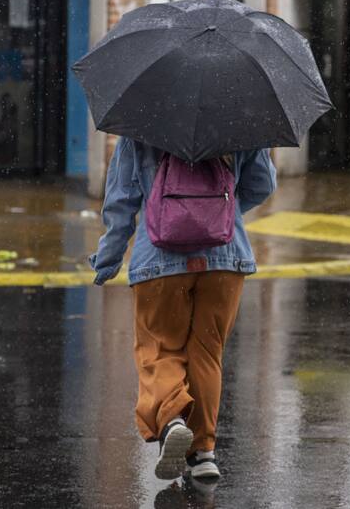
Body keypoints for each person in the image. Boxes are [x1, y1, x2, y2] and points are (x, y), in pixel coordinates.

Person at [90, 137, 277, 480]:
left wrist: (109, 257)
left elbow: (121, 200)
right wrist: (220, 214)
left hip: (160, 260)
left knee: (159, 347)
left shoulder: (142, 126)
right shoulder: (239, 123)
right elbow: (263, 184)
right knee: (207, 353)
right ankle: (204, 452)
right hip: (225, 256)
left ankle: (172, 418)